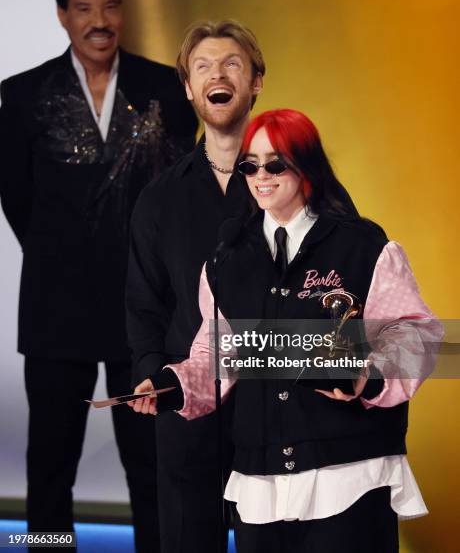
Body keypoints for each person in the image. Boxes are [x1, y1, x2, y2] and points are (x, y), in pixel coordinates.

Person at [140, 109, 443, 553]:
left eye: (276, 163)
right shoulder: (225, 262)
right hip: (259, 482)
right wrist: (172, 386)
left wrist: (364, 374)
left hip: (349, 475)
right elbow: (217, 354)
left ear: (307, 166)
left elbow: (419, 336)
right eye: (250, 164)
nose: (261, 175)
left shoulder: (363, 247)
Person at [127, 22, 358, 552]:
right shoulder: (158, 199)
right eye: (203, 66)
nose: (218, 74)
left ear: (256, 81)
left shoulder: (311, 184)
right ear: (188, 88)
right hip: (189, 426)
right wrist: (154, 382)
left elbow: (346, 286)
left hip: (284, 419)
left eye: (232, 63)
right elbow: (143, 307)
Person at [0, 0, 197, 552]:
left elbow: (181, 192)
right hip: (56, 309)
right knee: (51, 464)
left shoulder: (166, 87)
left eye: (109, 6)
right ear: (63, 15)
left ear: (123, 10)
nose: (98, 21)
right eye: (83, 8)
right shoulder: (22, 95)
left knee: (150, 463)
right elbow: (18, 199)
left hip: (146, 310)